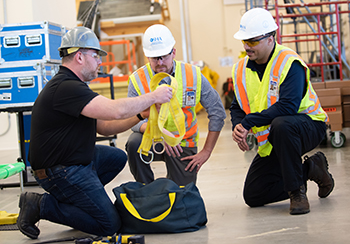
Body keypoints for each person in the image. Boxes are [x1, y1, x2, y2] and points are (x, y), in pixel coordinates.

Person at [17, 26, 173, 239]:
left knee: (117, 157)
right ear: (79, 56)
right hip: (60, 171)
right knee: (109, 225)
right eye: (96, 55)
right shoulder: (66, 87)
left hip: (74, 162)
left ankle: (80, 206)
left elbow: (104, 126)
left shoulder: (75, 87)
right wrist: (153, 97)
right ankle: (40, 205)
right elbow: (116, 110)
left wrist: (140, 115)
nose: (100, 61)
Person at [230, 8, 335, 215]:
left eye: (252, 41)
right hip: (273, 137)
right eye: (244, 41)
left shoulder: (289, 62)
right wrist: (238, 126)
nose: (246, 46)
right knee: (254, 195)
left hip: (308, 126)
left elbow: (288, 107)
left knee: (282, 124)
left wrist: (249, 122)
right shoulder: (240, 69)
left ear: (270, 38)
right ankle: (312, 168)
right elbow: (237, 106)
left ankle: (297, 193)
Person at [126, 24, 226, 186]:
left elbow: (217, 112)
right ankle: (146, 191)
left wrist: (206, 151)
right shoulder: (137, 80)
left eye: (163, 56)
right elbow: (133, 120)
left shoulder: (193, 74)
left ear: (173, 52)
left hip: (183, 143)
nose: (159, 63)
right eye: (154, 58)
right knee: (134, 143)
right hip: (153, 138)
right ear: (147, 56)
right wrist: (160, 133)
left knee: (182, 196)